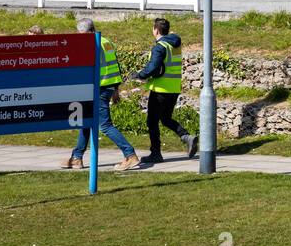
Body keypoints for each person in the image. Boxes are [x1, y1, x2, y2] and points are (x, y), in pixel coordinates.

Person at [64, 18, 140, 172]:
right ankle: (77, 157)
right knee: (86, 122)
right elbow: (115, 66)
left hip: (99, 88)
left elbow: (87, 69)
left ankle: (130, 155)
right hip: (107, 86)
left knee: (105, 126)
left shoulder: (92, 45)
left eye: (82, 34)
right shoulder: (106, 42)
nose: (81, 37)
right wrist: (116, 89)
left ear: (90, 31)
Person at [135, 17, 196, 165]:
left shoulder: (160, 47)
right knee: (165, 118)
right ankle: (186, 137)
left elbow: (154, 67)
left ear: (156, 30)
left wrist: (140, 75)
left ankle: (156, 153)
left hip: (160, 89)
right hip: (174, 88)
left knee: (152, 121)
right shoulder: (174, 45)